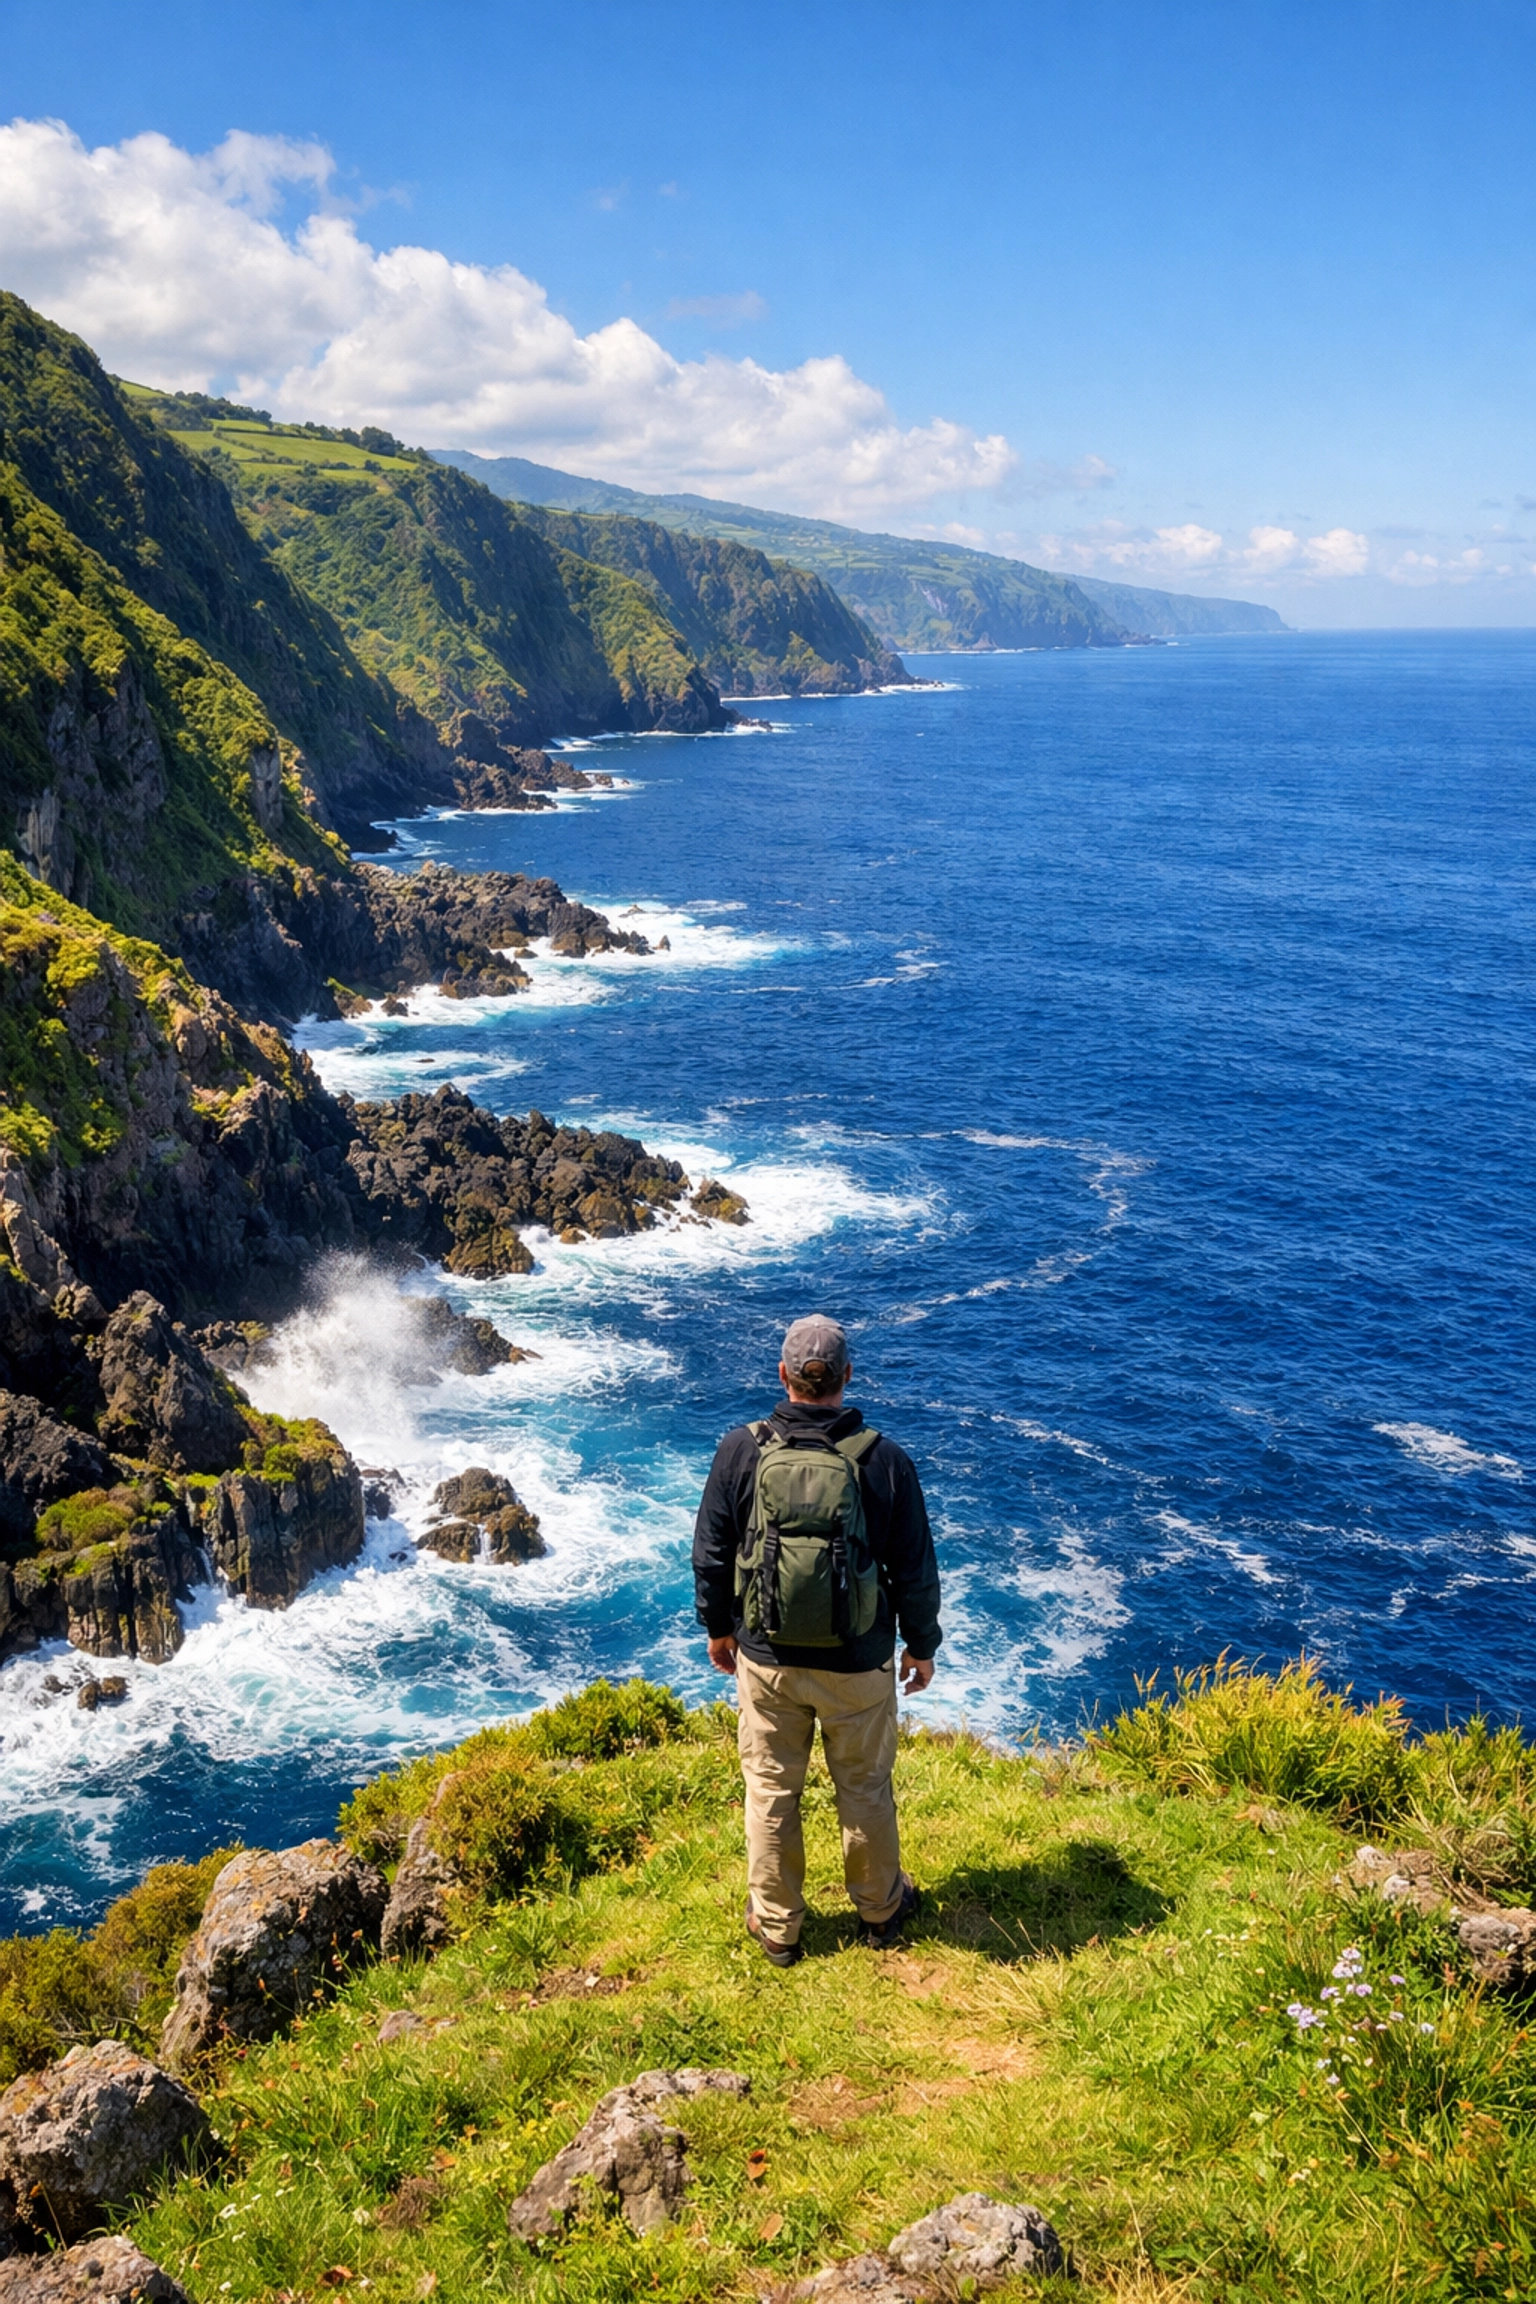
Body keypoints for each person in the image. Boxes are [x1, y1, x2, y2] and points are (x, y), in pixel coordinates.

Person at [692, 1314, 942, 1966]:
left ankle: (778, 1926)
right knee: (864, 1788)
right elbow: (914, 1568)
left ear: (784, 1376)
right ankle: (881, 1913)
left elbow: (712, 1553)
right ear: (846, 1377)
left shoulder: (741, 1450)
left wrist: (718, 1629)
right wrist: (921, 1646)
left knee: (772, 1789)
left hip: (767, 1658)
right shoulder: (883, 1461)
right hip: (858, 1662)